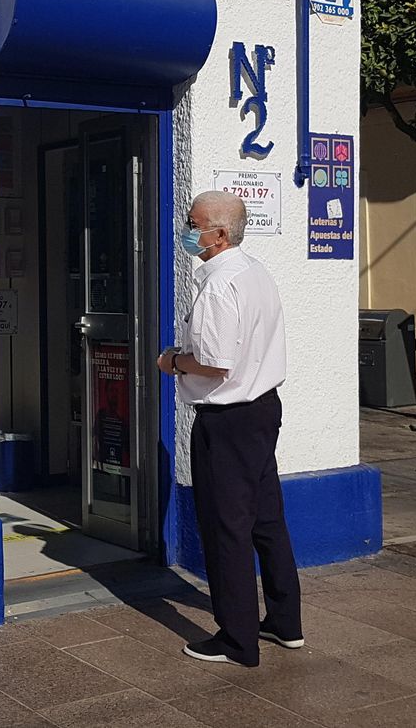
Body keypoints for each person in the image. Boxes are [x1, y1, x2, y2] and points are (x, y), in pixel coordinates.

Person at [157, 189, 302, 667]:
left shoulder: (219, 284)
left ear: (219, 234)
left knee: (227, 528)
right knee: (267, 520)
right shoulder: (256, 272)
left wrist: (173, 361)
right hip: (262, 409)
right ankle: (284, 621)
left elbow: (216, 362)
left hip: (229, 419)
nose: (187, 228)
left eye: (194, 222)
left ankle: (237, 638)